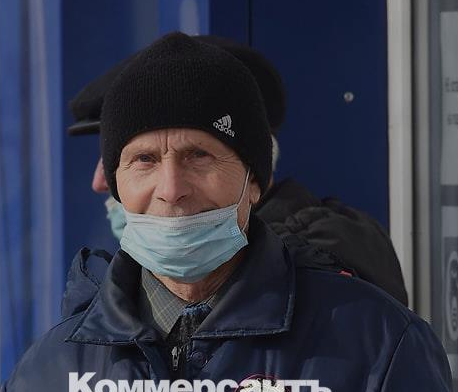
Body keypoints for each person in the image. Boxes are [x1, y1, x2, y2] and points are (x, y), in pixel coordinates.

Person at [0, 32, 458, 392]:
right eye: (144, 160)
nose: (171, 188)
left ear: (255, 181)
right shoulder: (46, 372)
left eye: (199, 156)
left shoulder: (376, 346)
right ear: (118, 184)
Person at [67, 35, 409, 305]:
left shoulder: (314, 269)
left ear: (255, 168)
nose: (100, 181)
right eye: (143, 158)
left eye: (197, 154)